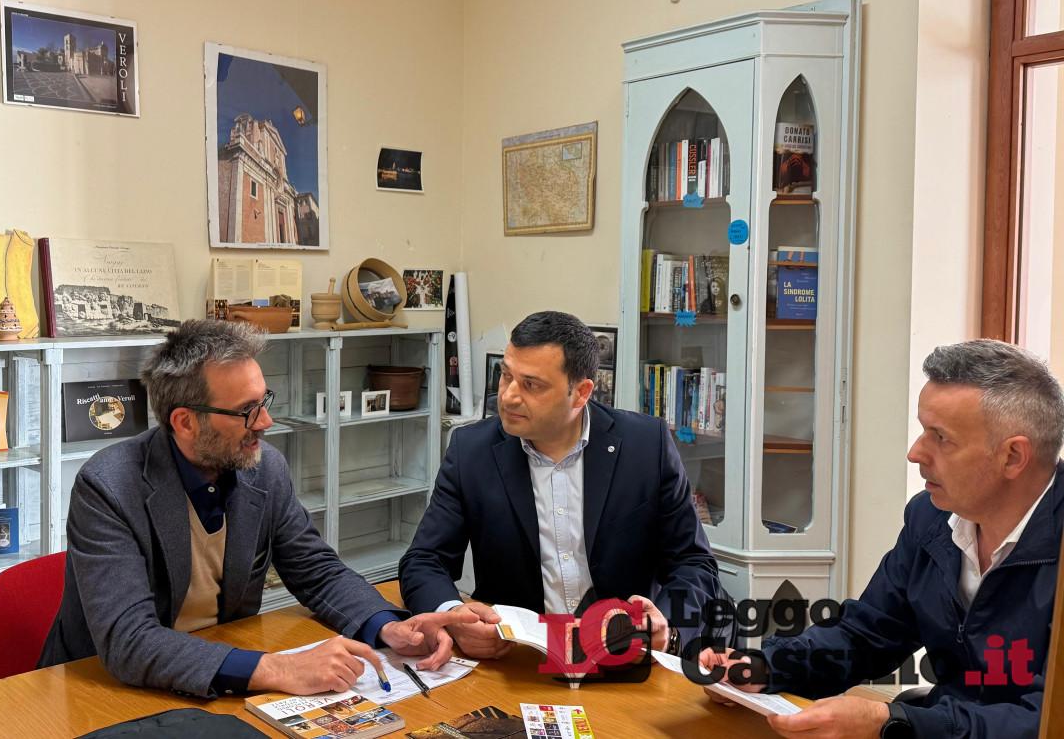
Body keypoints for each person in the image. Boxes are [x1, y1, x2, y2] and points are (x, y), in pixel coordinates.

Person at [39, 319, 475, 698]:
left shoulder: (265, 469)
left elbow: (316, 571)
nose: (265, 423)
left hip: (217, 676)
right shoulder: (108, 487)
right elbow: (130, 642)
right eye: (247, 411)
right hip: (101, 688)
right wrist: (279, 669)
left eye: (264, 402)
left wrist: (386, 626)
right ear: (185, 422)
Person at [699, 339, 1063, 739]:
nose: (915, 452)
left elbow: (1046, 721)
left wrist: (892, 723)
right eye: (923, 430)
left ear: (1013, 456)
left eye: (941, 438)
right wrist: (765, 667)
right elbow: (866, 634)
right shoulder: (931, 519)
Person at [399, 311, 720, 660]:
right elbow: (423, 560)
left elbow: (693, 562)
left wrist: (667, 627)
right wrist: (453, 615)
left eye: (532, 385)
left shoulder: (645, 445)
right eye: (506, 376)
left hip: (627, 657)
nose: (508, 397)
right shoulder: (471, 451)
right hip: (519, 660)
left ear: (580, 393)